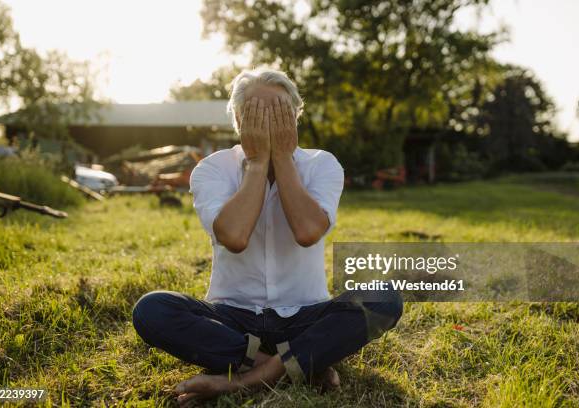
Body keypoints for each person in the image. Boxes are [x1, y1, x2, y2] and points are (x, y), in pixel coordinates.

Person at [132, 68, 403, 405]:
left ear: (295, 118)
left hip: (305, 317)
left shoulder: (323, 165)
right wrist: (258, 163)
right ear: (239, 122)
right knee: (152, 309)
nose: (270, 123)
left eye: (280, 113)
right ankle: (302, 365)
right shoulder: (213, 169)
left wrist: (283, 159)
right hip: (233, 320)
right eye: (258, 115)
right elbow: (234, 236)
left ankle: (244, 380)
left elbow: (307, 232)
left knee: (384, 298)